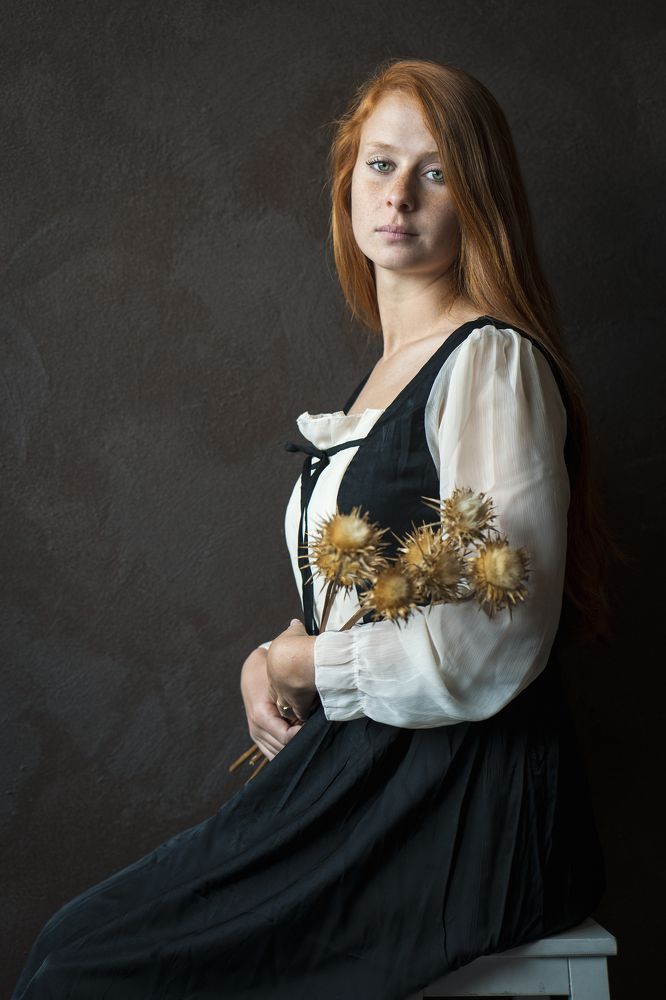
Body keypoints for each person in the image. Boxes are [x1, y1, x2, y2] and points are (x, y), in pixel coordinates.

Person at [12, 57, 612, 1000]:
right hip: (363, 777)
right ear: (347, 186)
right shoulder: (386, 375)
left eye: (436, 171)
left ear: (478, 196)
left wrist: (305, 668)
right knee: (72, 947)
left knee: (92, 967)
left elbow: (500, 632)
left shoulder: (491, 361)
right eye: (380, 165)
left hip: (462, 806)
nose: (401, 196)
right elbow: (370, 595)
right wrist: (279, 650)